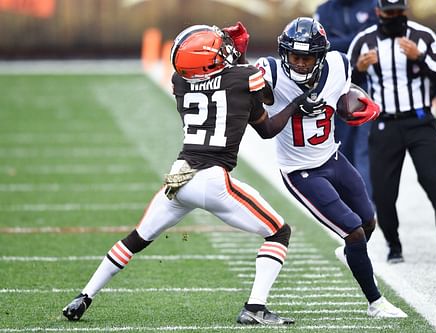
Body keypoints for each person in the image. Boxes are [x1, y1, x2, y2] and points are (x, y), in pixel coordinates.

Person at [61, 22, 321, 325]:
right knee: (279, 231)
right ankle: (255, 307)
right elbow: (266, 108)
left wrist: (228, 57)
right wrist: (296, 103)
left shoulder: (179, 81)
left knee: (136, 239)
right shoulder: (245, 77)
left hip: (180, 176)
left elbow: (233, 94)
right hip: (213, 178)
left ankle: (85, 295)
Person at [255, 17, 407, 318]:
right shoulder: (270, 72)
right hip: (300, 171)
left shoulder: (338, 63)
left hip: (333, 158)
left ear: (320, 56)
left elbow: (343, 92)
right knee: (352, 230)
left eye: (306, 57)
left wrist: (350, 102)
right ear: (284, 54)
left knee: (367, 222)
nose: (299, 63)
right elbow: (247, 93)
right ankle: (376, 303)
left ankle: (350, 255)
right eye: (294, 56)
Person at [347, 0, 436, 265]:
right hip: (384, 124)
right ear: (378, 12)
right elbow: (342, 85)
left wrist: (420, 58)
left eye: (398, 12)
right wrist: (358, 70)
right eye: (389, 12)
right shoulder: (364, 40)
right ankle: (393, 244)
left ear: (405, 11)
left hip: (420, 122)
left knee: (435, 183)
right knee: (384, 191)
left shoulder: (423, 36)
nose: (394, 17)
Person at [314, 0, 378, 198]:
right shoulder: (324, 10)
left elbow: (373, 39)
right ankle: (346, 196)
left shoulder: (371, 5)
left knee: (363, 147)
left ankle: (366, 200)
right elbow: (321, 46)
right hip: (335, 84)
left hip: (369, 83)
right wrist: (355, 40)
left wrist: (337, 42)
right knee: (339, 144)